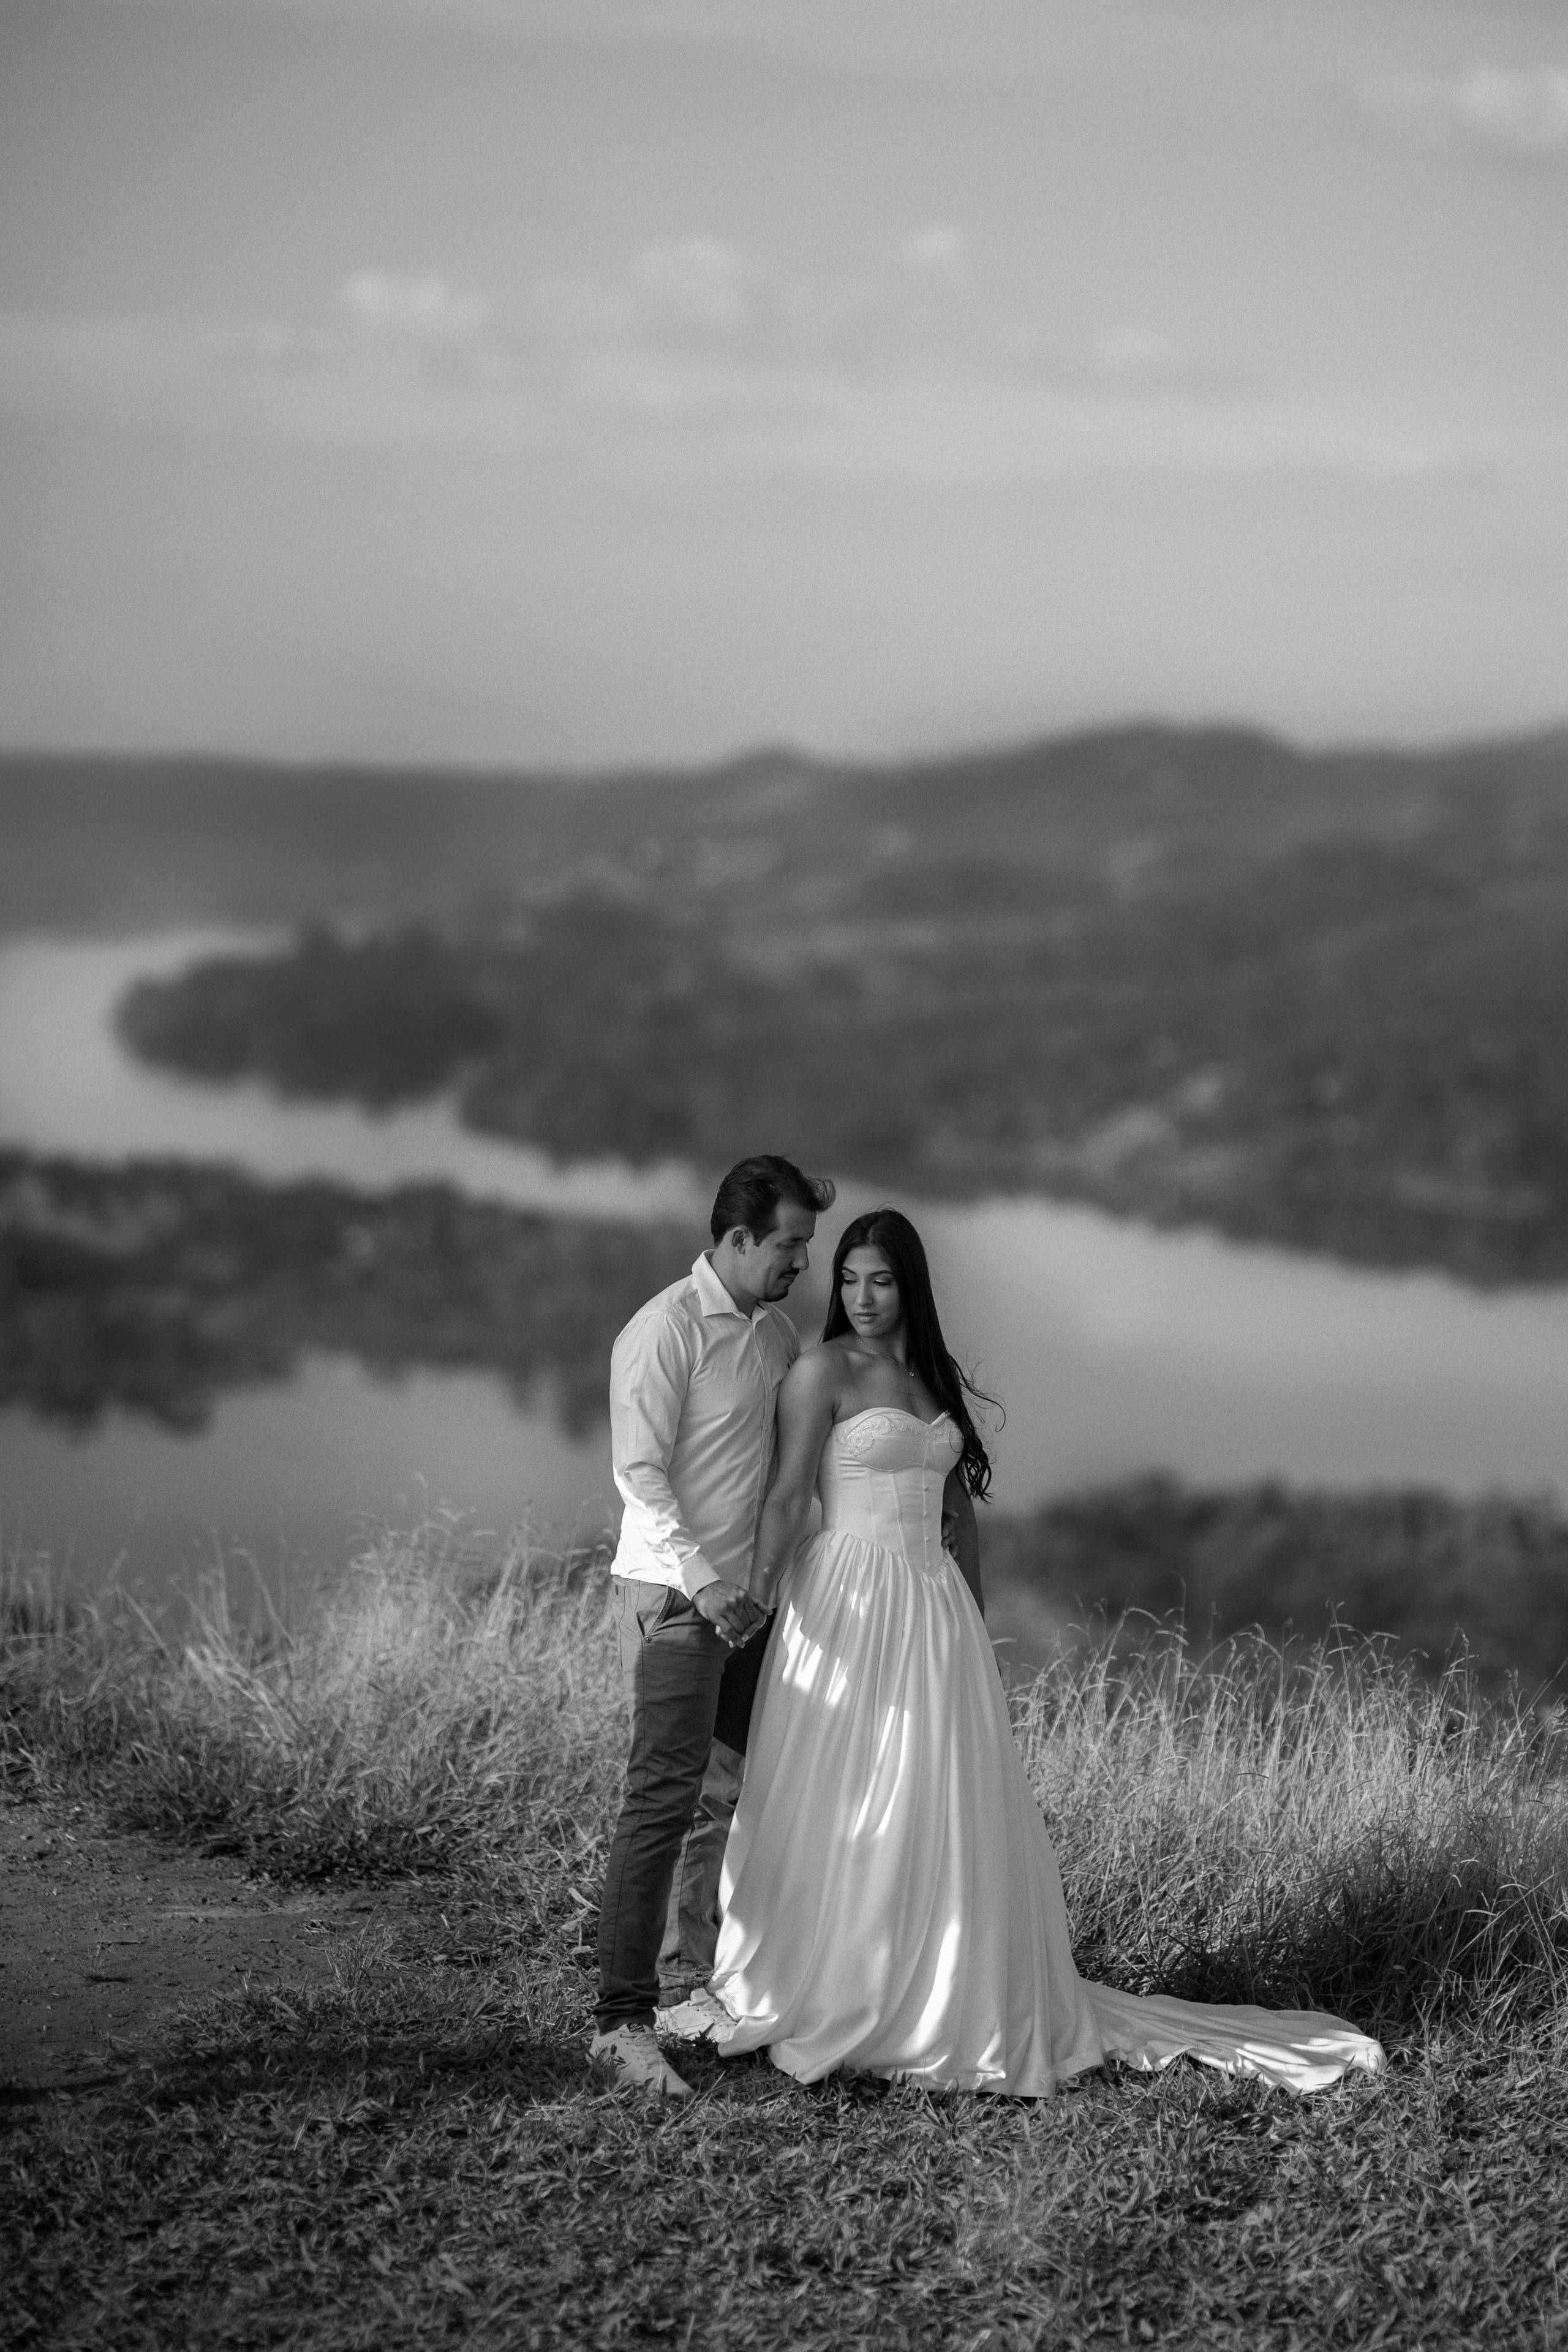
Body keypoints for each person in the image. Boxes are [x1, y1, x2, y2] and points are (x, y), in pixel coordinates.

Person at [662, 1207, 1385, 2097]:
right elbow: (782, 1498)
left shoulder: (929, 1378)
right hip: (847, 1596)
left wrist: (968, 1617)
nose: (862, 1296)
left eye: (881, 1279)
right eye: (848, 1279)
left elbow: (958, 1513)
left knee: (940, 1794)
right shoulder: (822, 1370)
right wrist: (760, 1598)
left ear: (910, 1285)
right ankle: (837, 1977)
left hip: (933, 1612)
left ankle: (935, 1977)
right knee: (848, 1787)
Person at [589, 1152, 835, 2097]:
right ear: (735, 1238)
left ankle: (696, 1988)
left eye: (805, 1248)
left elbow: (781, 1477)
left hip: (751, 1609)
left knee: (727, 1802)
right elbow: (638, 1477)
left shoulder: (773, 1337)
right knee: (660, 1802)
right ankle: (619, 2025)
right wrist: (706, 1583)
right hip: (678, 1605)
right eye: (789, 1246)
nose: (800, 1266)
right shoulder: (663, 1329)